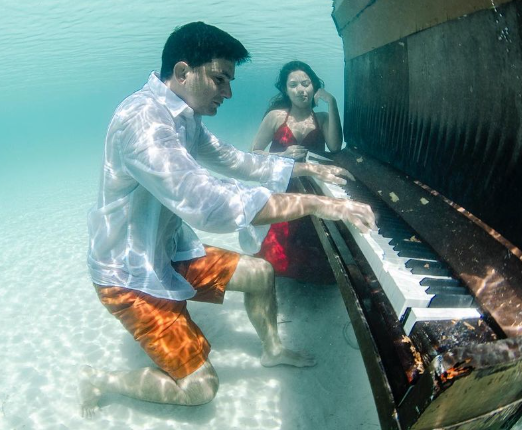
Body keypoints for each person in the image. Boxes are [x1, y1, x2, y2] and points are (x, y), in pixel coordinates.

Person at [79, 22, 375, 417]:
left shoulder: (183, 117)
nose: (229, 92)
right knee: (201, 388)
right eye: (220, 79)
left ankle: (273, 351)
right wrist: (318, 205)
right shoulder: (143, 122)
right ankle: (101, 380)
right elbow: (207, 203)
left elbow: (234, 159)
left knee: (260, 273)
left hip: (167, 255)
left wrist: (303, 170)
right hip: (129, 277)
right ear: (183, 72)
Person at [250, 61, 343, 282]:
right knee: (278, 254)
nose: (301, 90)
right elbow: (254, 152)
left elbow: (336, 146)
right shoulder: (276, 117)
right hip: (281, 188)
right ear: (285, 90)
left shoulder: (322, 118)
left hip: (313, 189)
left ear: (314, 87)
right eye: (293, 85)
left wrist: (332, 101)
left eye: (306, 83)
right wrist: (282, 156)